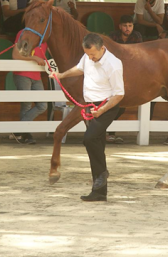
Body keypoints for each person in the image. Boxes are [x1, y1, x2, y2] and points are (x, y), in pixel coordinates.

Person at [49, 33, 124, 202]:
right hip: (90, 107)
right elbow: (79, 68)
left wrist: (102, 110)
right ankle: (99, 191)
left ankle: (102, 173)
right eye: (88, 54)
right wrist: (61, 75)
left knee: (89, 139)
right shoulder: (88, 57)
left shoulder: (114, 65)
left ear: (102, 48)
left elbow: (119, 95)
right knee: (97, 145)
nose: (91, 58)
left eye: (93, 55)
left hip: (106, 106)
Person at [105, 15, 141, 144]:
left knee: (121, 105)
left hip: (130, 72)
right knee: (110, 102)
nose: (127, 28)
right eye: (125, 26)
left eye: (130, 26)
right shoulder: (112, 36)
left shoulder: (137, 36)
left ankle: (108, 131)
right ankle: (107, 132)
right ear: (120, 26)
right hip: (113, 72)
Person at [11, 30, 48, 145]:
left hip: (37, 75)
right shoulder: (23, 33)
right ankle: (25, 135)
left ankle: (19, 130)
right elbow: (15, 55)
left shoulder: (45, 37)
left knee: (42, 105)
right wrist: (34, 58)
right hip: (22, 74)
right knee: (26, 105)